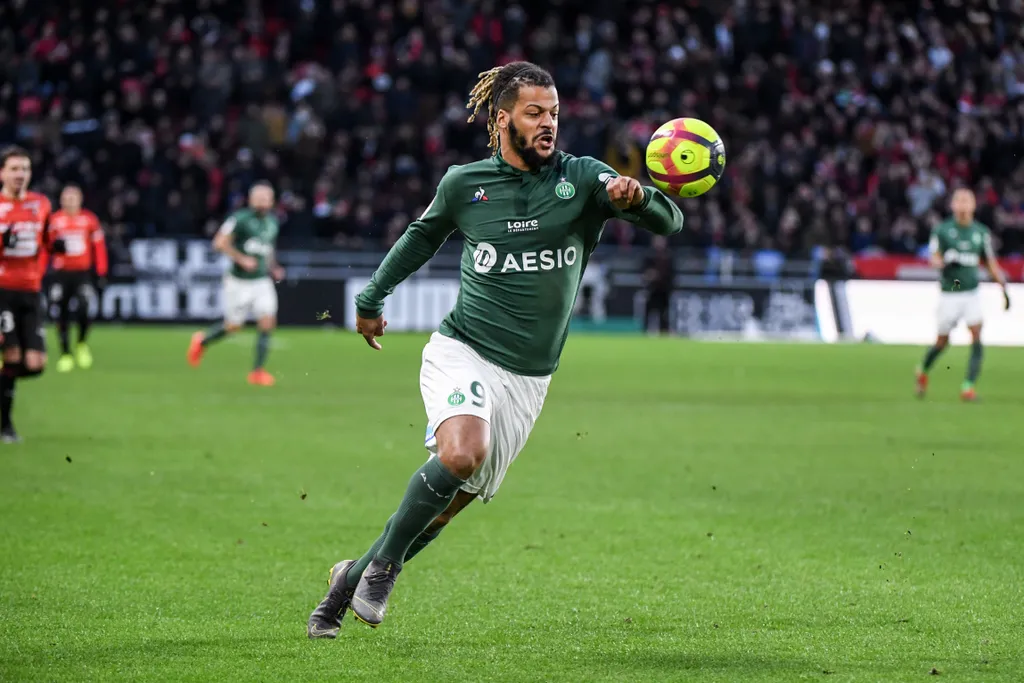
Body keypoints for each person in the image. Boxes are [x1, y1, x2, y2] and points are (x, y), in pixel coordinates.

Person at [306, 61, 684, 638]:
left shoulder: (584, 179)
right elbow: (420, 238)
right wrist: (371, 296)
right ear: (502, 118)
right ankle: (382, 568)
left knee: (449, 501)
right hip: (464, 349)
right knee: (461, 455)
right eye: (535, 113)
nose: (548, 124)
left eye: (554, 114)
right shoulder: (465, 184)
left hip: (530, 379)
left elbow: (671, 221)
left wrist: (637, 198)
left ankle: (347, 579)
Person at [186, 182, 285, 386]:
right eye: (260, 198)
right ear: (251, 200)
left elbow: (267, 249)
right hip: (238, 282)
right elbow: (219, 243)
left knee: (267, 320)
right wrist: (241, 259)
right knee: (233, 326)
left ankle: (257, 371)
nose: (263, 202)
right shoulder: (239, 219)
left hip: (260, 281)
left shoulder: (273, 222)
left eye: (267, 198)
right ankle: (201, 341)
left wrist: (273, 266)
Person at [916, 188, 1010, 401]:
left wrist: (1003, 288)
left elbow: (989, 263)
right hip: (950, 293)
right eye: (959, 200)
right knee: (942, 342)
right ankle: (922, 370)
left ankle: (968, 387)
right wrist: (945, 260)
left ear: (974, 205)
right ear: (952, 205)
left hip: (971, 292)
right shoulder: (942, 230)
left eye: (967, 200)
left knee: (976, 334)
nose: (963, 204)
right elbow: (934, 259)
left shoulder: (981, 232)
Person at [0, 146, 52, 443]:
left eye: (25, 169)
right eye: (15, 169)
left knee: (34, 364)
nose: (20, 175)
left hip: (31, 291)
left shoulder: (40, 204)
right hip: (2, 291)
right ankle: (6, 426)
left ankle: (4, 385)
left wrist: (51, 250)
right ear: (2, 173)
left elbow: (46, 238)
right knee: (12, 355)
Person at [47, 184, 108, 372]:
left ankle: (81, 343)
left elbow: (98, 246)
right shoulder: (54, 221)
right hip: (61, 274)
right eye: (67, 197)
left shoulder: (89, 220)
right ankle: (65, 353)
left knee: (84, 307)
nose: (70, 201)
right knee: (61, 312)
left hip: (82, 274)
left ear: (80, 200)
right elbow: (45, 247)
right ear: (62, 200)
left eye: (74, 197)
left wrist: (101, 271)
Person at [643, 235, 675, 334]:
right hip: (652, 290)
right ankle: (645, 332)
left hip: (664, 290)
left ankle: (664, 333)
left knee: (664, 315)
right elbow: (643, 272)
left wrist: (659, 276)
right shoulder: (649, 256)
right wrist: (649, 275)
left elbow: (672, 274)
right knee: (648, 313)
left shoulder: (669, 256)